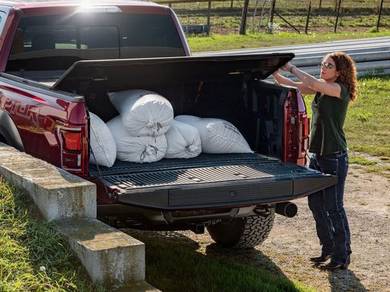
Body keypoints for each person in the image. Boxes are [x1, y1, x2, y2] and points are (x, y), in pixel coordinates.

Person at [272, 52, 357, 270]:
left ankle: (341, 256)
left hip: (334, 156)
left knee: (334, 206)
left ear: (339, 71)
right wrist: (274, 71)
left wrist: (290, 67)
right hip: (317, 155)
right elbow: (293, 86)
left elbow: (309, 81)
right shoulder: (321, 88)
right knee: (316, 203)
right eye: (322, 64)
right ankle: (328, 249)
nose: (323, 68)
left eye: (328, 65)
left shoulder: (339, 90)